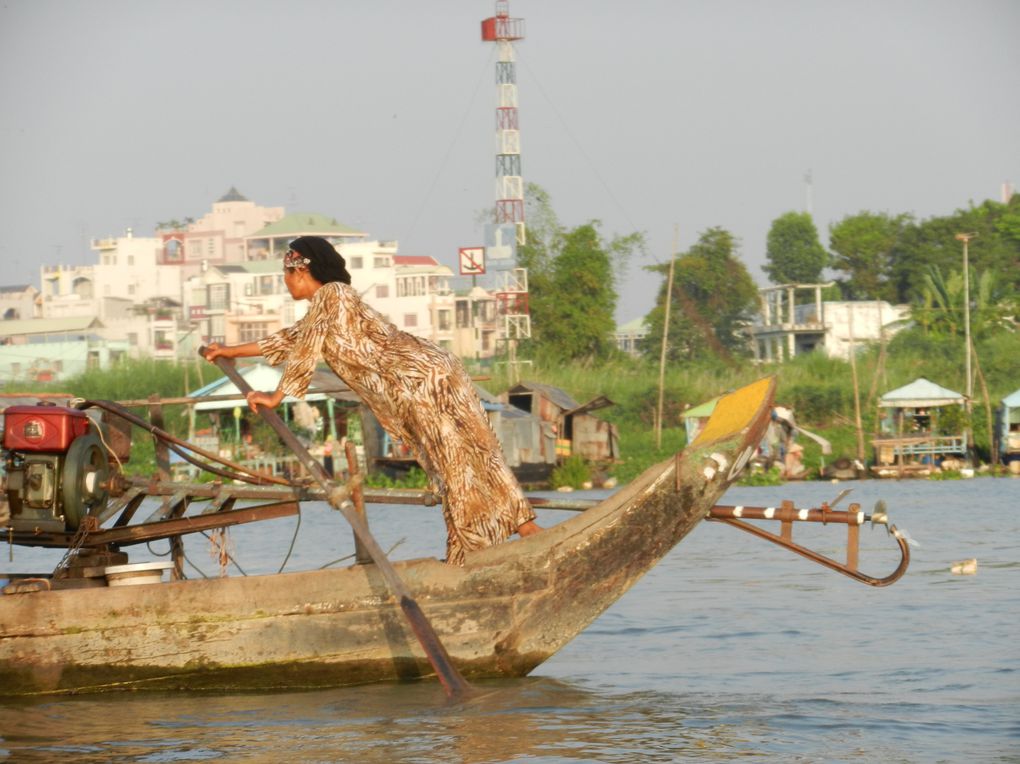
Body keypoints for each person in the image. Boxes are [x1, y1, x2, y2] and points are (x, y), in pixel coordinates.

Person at [202, 236, 540, 565]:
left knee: (453, 465)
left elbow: (304, 350)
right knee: (474, 454)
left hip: (418, 380)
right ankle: (524, 528)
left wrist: (277, 396)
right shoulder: (330, 305)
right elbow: (290, 339)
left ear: (301, 272)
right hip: (431, 372)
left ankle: (472, 554)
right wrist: (229, 351)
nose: (285, 283)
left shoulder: (331, 295)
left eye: (285, 275)